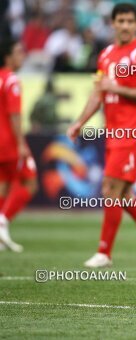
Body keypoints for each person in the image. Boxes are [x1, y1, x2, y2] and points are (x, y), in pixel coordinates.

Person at [66, 3, 136, 269]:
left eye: (129, 21)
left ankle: (104, 253)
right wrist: (79, 122)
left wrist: (117, 86)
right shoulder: (106, 54)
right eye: (120, 20)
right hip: (112, 134)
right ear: (112, 23)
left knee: (111, 189)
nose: (124, 25)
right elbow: (98, 93)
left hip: (131, 133)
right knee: (123, 194)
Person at [0, 39, 38, 252]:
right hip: (9, 142)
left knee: (4, 185)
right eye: (18, 52)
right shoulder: (12, 80)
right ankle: (3, 221)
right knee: (29, 183)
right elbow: (14, 115)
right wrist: (21, 143)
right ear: (7, 57)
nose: (22, 56)